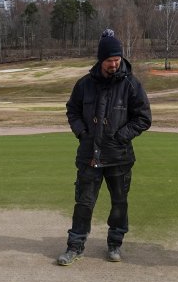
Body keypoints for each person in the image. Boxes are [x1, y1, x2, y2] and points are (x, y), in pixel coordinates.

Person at [57, 29, 152, 266]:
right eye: (110, 60)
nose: (114, 64)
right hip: (89, 155)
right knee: (84, 203)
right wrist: (82, 132)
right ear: (101, 60)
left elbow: (143, 118)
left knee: (119, 203)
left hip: (118, 156)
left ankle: (115, 244)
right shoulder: (84, 85)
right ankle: (75, 246)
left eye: (117, 60)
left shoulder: (131, 84)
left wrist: (121, 136)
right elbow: (73, 111)